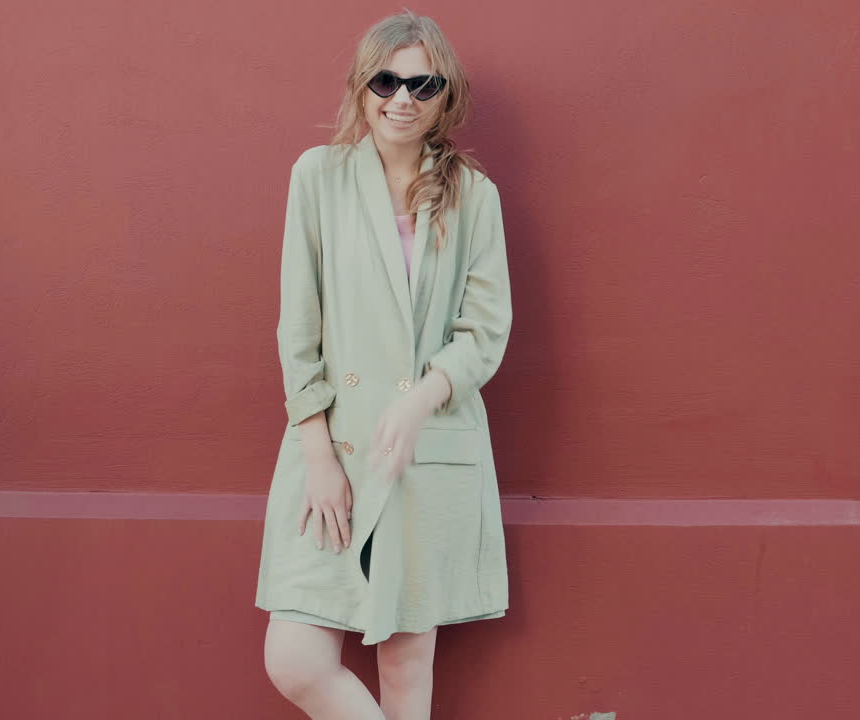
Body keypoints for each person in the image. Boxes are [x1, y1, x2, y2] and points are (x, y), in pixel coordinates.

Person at [254, 10, 513, 718]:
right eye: (387, 79)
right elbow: (297, 326)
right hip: (332, 446)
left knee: (405, 673)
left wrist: (422, 396)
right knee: (296, 660)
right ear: (363, 86)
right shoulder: (319, 178)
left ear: (444, 94)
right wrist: (317, 453)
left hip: (423, 451)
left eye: (422, 83)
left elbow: (485, 330)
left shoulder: (474, 197)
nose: (403, 97)